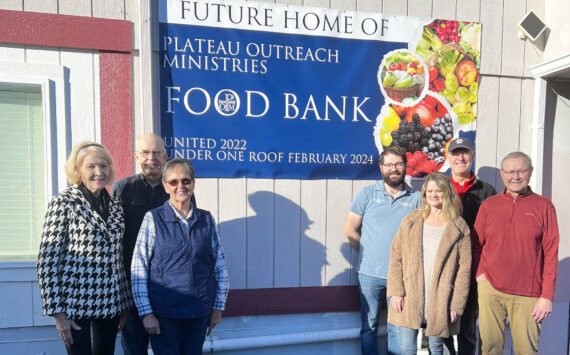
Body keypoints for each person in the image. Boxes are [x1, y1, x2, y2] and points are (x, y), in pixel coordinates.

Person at [37, 141, 131, 355]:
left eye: (104, 165)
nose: (99, 172)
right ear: (78, 170)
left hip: (111, 302)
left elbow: (120, 256)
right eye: (91, 166)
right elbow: (47, 261)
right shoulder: (63, 202)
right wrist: (57, 313)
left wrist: (123, 303)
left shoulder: (116, 206)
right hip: (74, 305)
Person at [131, 159, 229, 355]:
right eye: (174, 182)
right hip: (164, 314)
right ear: (165, 186)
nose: (180, 186)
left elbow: (219, 265)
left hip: (198, 311)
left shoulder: (206, 219)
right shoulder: (153, 218)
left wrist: (217, 308)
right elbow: (138, 269)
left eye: (186, 180)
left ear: (193, 183)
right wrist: (146, 313)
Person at [112, 133, 195, 355]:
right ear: (137, 156)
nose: (152, 158)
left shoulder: (178, 188)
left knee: (168, 346)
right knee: (134, 346)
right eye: (146, 153)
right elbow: (114, 238)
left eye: (157, 153)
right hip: (133, 282)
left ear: (165, 156)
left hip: (168, 285)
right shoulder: (122, 189)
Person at [473, 152, 559, 355]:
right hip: (491, 289)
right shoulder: (489, 205)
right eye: (510, 171)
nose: (516, 176)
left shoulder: (544, 206)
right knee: (490, 348)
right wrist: (480, 275)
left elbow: (551, 252)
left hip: (528, 293)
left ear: (530, 173)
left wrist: (546, 296)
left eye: (521, 171)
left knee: (526, 350)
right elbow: (475, 245)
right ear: (502, 174)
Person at [344, 146, 421, 355]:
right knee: (369, 327)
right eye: (388, 164)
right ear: (381, 167)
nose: (393, 169)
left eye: (398, 164)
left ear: (405, 167)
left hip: (402, 277)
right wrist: (367, 254)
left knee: (397, 328)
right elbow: (349, 229)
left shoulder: (417, 198)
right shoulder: (367, 194)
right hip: (369, 275)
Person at [387, 172, 472, 355]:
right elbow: (396, 256)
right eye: (429, 190)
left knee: (436, 347)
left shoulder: (459, 226)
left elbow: (464, 270)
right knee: (407, 348)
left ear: (447, 192)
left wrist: (456, 304)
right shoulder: (412, 220)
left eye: (438, 190)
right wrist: (396, 292)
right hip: (410, 293)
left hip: (441, 297)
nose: (433, 195)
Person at [443, 137, 496, 355]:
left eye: (465, 153)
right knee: (442, 322)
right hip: (445, 266)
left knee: (467, 327)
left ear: (472, 157)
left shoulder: (487, 190)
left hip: (474, 267)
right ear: (449, 158)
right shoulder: (439, 186)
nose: (460, 158)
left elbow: (494, 232)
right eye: (456, 153)